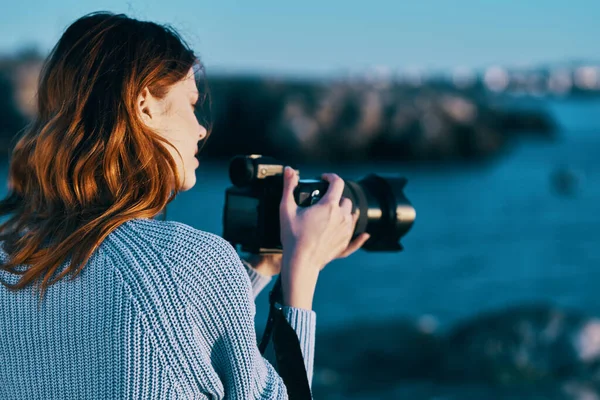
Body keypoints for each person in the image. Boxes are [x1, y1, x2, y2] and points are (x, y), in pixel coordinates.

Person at [0, 12, 370, 399]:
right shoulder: (194, 263)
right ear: (144, 105)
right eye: (191, 104)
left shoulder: (12, 257)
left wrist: (262, 267)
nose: (201, 128)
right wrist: (302, 268)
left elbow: (152, 316)